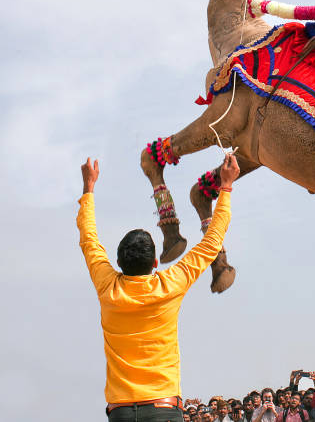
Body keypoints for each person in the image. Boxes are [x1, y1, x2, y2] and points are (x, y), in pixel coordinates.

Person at [77, 154, 240, 421]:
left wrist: (89, 188)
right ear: (155, 262)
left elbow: (88, 239)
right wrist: (226, 186)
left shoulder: (108, 286)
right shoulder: (169, 284)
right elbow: (212, 243)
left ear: (117, 262)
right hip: (164, 409)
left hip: (121, 413)